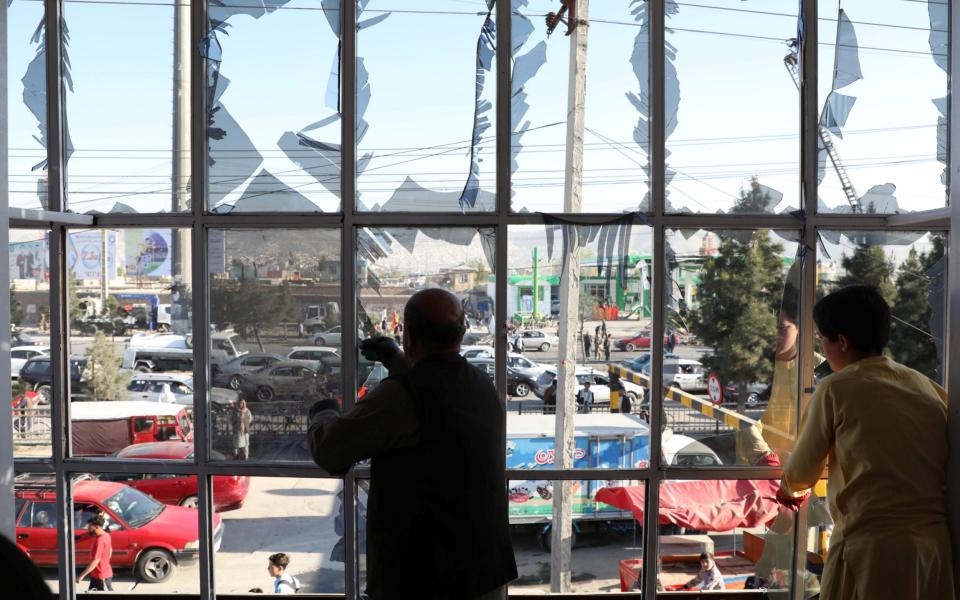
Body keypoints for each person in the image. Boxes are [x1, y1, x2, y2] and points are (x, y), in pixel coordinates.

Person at [307, 289, 517, 599]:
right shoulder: (483, 387)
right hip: (484, 572)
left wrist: (323, 411)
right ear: (460, 333)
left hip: (423, 577)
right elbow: (437, 388)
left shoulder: (400, 397)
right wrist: (395, 356)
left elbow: (330, 451)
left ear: (410, 334)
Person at [778, 285, 954, 600]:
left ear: (842, 341)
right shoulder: (929, 388)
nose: (821, 346)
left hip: (870, 550)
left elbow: (802, 472)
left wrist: (788, 489)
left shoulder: (835, 390)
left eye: (822, 339)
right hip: (932, 550)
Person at [77, 514, 113, 591]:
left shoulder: (100, 540)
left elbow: (95, 561)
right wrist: (105, 562)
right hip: (96, 575)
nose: (88, 529)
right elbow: (110, 550)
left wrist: (81, 576)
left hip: (102, 577)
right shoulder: (106, 535)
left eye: (90, 527)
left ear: (97, 527)